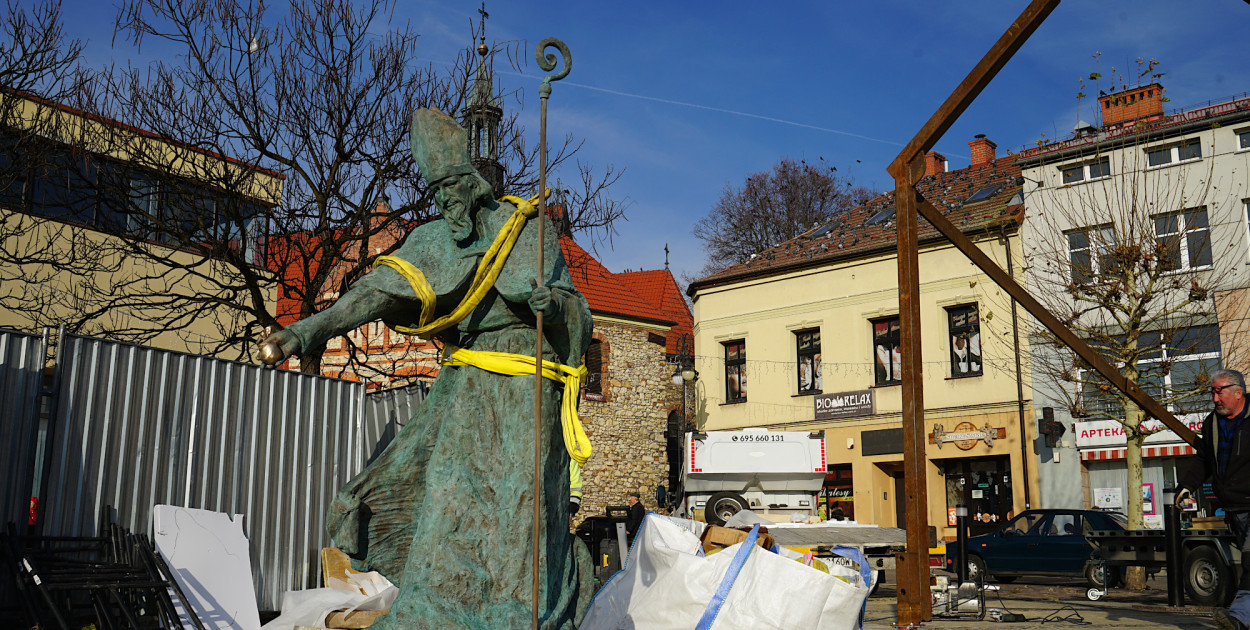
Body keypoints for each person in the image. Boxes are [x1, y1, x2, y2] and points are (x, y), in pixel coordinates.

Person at [258, 108, 594, 629]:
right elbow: (373, 292)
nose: (442, 203)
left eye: (449, 192)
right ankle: (435, 611)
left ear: (472, 185)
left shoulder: (530, 232)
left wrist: (554, 304)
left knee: (517, 508)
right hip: (467, 391)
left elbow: (578, 318)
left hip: (528, 390)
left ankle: (515, 614)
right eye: (435, 193)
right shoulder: (433, 241)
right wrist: (308, 329)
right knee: (446, 493)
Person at [1177, 369, 1250, 630]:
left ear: (1238, 392)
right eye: (1212, 391)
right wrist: (1186, 486)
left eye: (1219, 391)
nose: (1214, 398)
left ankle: (1239, 617)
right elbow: (1204, 460)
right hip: (1234, 508)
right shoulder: (1212, 424)